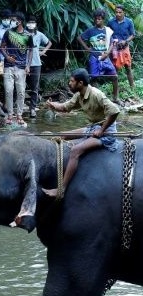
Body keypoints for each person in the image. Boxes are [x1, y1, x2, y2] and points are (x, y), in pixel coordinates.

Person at [43, 68, 121, 198]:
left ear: (80, 83)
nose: (69, 83)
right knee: (62, 135)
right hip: (93, 127)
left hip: (107, 132)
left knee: (76, 150)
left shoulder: (96, 94)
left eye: (72, 81)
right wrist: (52, 104)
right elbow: (65, 107)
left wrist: (102, 131)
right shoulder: (79, 95)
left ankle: (61, 190)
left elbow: (115, 111)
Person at [78, 8, 119, 103]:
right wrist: (87, 48)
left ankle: (116, 98)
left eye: (99, 19)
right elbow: (79, 38)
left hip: (106, 57)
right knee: (93, 77)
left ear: (103, 19)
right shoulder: (91, 30)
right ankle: (97, 99)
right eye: (96, 19)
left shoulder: (108, 31)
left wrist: (107, 53)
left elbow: (112, 43)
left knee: (115, 77)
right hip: (94, 57)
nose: (97, 20)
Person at [0, 12, 32, 127]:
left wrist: (28, 65)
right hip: (8, 66)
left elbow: (31, 50)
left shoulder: (28, 35)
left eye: (13, 20)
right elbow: (2, 47)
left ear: (20, 21)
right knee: (8, 90)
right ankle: (10, 115)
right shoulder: (8, 33)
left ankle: (19, 115)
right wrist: (7, 57)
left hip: (22, 67)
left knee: (21, 92)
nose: (11, 22)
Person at [25, 15, 52, 119]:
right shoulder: (23, 34)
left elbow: (49, 43)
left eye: (33, 22)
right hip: (23, 63)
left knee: (34, 87)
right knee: (20, 86)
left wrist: (43, 51)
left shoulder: (39, 35)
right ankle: (17, 109)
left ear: (35, 24)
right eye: (29, 22)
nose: (31, 24)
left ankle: (32, 108)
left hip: (36, 64)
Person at [107, 4, 136, 91]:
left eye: (120, 12)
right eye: (116, 12)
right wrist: (113, 41)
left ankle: (133, 88)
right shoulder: (111, 22)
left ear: (124, 13)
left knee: (128, 67)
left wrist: (126, 41)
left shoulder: (129, 22)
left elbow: (133, 34)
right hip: (114, 47)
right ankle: (115, 90)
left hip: (125, 47)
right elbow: (108, 34)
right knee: (114, 68)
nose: (118, 14)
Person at [0, 9, 14, 116]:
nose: (7, 20)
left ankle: (5, 105)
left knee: (8, 83)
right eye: (5, 18)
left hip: (11, 59)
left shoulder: (13, 29)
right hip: (0, 59)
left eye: (8, 19)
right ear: (1, 19)